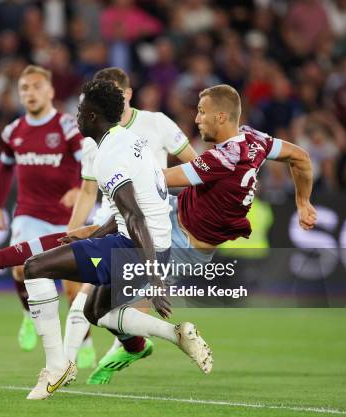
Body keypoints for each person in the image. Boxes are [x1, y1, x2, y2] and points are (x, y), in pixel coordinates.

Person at [0, 84, 316, 386]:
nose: (196, 119)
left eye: (201, 112)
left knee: (103, 299)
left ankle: (102, 353)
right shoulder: (255, 140)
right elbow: (299, 157)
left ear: (222, 115)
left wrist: (120, 164)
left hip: (180, 246)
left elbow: (159, 179)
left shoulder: (218, 160)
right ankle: (3, 262)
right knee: (88, 255)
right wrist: (303, 202)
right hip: (172, 213)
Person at [18, 79, 212, 400]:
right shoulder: (131, 141)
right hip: (151, 247)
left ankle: (57, 366)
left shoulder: (108, 155)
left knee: (34, 267)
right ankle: (176, 335)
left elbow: (134, 216)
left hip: (133, 249)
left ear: (93, 117)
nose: (76, 115)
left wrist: (155, 279)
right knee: (96, 312)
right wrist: (92, 235)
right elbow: (130, 211)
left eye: (81, 109)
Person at [63, 67, 197, 379]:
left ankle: (66, 367)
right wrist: (73, 230)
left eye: (115, 93)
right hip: (109, 224)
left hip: (147, 230)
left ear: (128, 94)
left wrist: (187, 208)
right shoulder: (91, 140)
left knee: (98, 306)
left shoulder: (156, 123)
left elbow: (196, 166)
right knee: (90, 304)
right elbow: (87, 190)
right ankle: (131, 346)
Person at [0, 65, 84, 353]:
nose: (30, 92)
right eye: (25, 88)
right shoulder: (13, 131)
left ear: (51, 91)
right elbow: (4, 169)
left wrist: (79, 187)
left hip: (67, 218)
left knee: (72, 287)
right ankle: (29, 316)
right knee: (20, 270)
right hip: (29, 212)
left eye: (37, 86)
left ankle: (84, 340)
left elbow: (86, 161)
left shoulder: (66, 126)